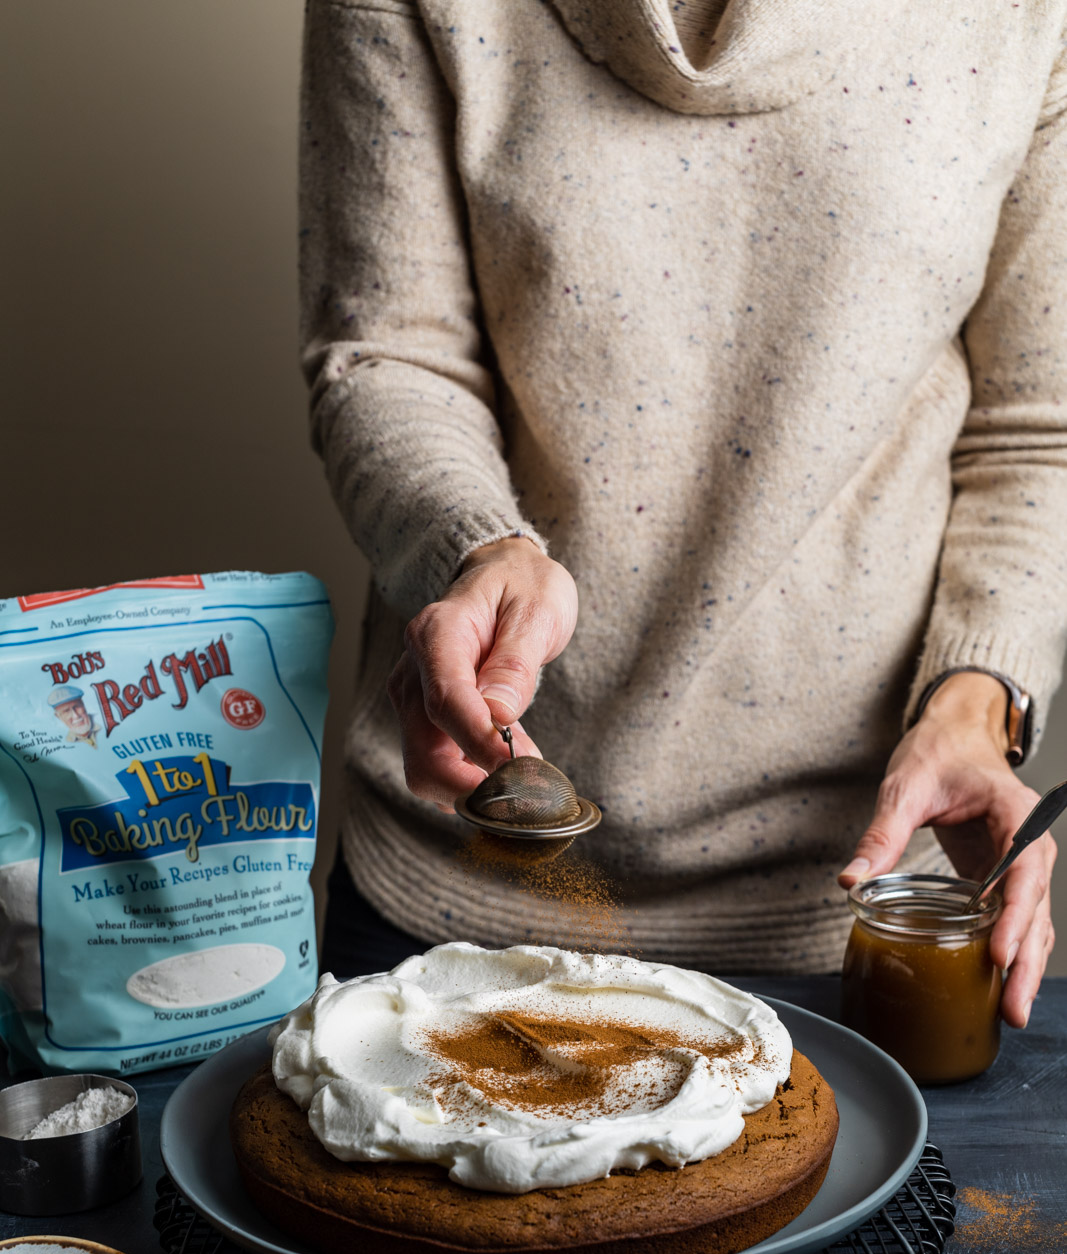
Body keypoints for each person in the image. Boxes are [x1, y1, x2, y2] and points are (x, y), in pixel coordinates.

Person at [300, 0, 1065, 1024]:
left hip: (854, 922)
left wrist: (975, 703)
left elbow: (1036, 428)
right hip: (459, 894)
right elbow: (390, 350)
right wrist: (479, 546)